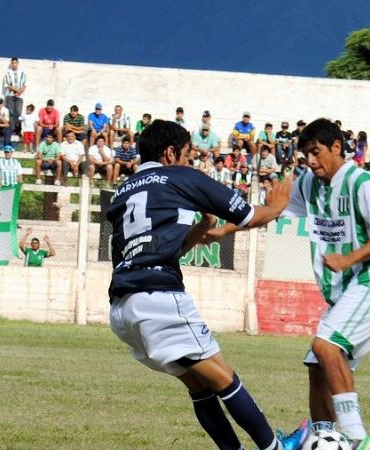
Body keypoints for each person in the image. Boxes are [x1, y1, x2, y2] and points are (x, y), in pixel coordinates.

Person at [210, 118, 370, 450]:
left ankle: (357, 440)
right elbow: (272, 211)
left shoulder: (362, 182)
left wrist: (348, 259)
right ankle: (326, 437)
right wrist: (223, 230)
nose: (311, 162)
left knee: (325, 347)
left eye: (316, 153)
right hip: (346, 294)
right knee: (317, 366)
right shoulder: (309, 185)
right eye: (306, 156)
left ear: (337, 148)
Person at [107, 119, 291, 450]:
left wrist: (202, 226)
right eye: (188, 154)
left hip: (123, 309)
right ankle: (274, 448)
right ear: (170, 152)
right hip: (159, 298)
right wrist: (277, 206)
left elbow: (151, 249)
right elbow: (248, 215)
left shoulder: (125, 189)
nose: (190, 161)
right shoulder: (180, 176)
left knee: (199, 385)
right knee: (224, 377)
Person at [2, 57, 26, 133]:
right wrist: (17, 91)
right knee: (11, 113)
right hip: (10, 95)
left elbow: (24, 85)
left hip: (19, 96)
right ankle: (12, 129)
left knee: (18, 113)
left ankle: (18, 129)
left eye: (15, 63)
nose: (14, 64)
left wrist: (19, 92)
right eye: (12, 63)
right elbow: (8, 85)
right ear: (11, 64)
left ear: (18, 63)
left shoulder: (22, 73)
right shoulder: (7, 73)